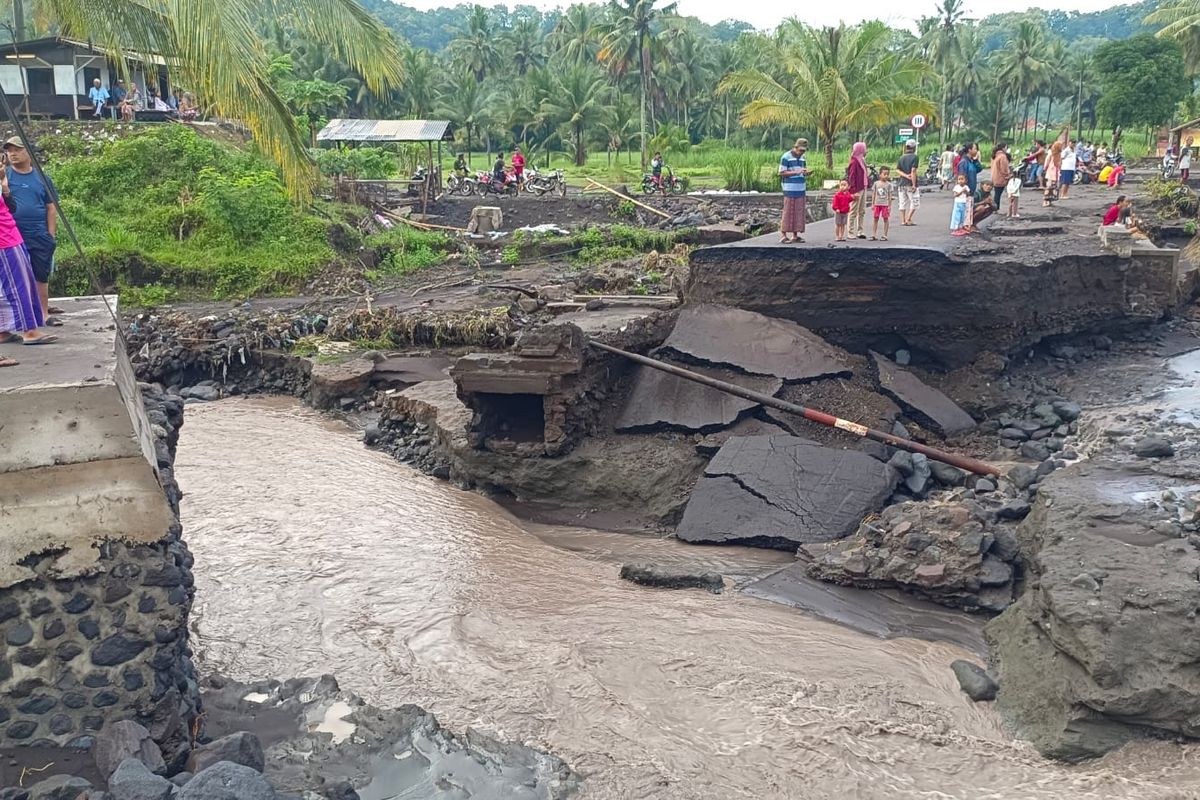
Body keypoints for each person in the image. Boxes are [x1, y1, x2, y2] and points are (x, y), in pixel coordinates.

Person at [0, 158, 56, 354]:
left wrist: (4, 186)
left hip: (11, 234)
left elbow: (10, 207)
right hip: (5, 239)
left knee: (5, 288)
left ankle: (3, 330)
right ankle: (29, 331)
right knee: (19, 284)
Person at [4, 137, 58, 325]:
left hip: (39, 233)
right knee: (18, 276)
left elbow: (51, 207)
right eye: (9, 150)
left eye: (17, 150)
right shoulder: (6, 176)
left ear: (29, 152)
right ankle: (19, 316)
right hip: (13, 235)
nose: (12, 154)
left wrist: (50, 236)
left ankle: (43, 313)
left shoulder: (42, 178)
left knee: (40, 274)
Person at [777, 138, 809, 243]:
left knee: (799, 211)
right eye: (800, 150)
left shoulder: (803, 158)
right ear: (795, 148)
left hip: (801, 188)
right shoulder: (786, 157)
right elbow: (781, 173)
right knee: (788, 211)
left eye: (803, 151)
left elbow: (802, 170)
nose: (801, 153)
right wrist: (796, 172)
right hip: (789, 188)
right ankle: (783, 234)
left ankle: (795, 235)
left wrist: (805, 173)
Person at [956, 143, 982, 232]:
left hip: (971, 190)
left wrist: (976, 160)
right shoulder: (964, 162)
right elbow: (961, 177)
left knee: (969, 208)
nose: (976, 151)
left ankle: (968, 225)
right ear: (969, 150)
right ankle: (965, 226)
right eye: (975, 149)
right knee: (965, 209)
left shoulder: (970, 161)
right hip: (966, 191)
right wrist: (964, 189)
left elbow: (979, 169)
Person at [847, 141, 869, 239]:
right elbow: (851, 177)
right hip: (857, 189)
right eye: (864, 148)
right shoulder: (854, 162)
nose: (866, 150)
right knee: (853, 211)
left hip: (863, 187)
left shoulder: (862, 160)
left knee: (862, 211)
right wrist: (853, 191)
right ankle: (850, 232)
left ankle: (860, 231)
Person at [896, 140, 920, 226]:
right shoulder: (915, 157)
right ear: (914, 147)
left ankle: (902, 220)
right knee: (914, 201)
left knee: (902, 202)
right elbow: (913, 171)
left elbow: (897, 170)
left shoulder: (901, 157)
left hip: (901, 183)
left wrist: (905, 176)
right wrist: (913, 184)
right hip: (910, 184)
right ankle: (908, 218)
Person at [870, 166, 893, 241]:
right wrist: (872, 204)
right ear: (880, 174)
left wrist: (889, 205)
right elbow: (873, 194)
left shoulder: (889, 185)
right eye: (884, 174)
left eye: (887, 174)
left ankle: (885, 235)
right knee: (875, 219)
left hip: (885, 204)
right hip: (877, 204)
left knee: (885, 219)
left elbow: (890, 196)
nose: (886, 176)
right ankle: (873, 234)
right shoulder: (876, 183)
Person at [990, 143, 1011, 208]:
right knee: (998, 194)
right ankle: (995, 208)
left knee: (997, 193)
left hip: (995, 177)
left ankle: (995, 207)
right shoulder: (1002, 156)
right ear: (1003, 148)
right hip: (1000, 178)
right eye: (1006, 148)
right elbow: (1003, 169)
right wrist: (1007, 176)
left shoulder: (995, 155)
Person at [1042, 141, 1062, 207]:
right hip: (1050, 172)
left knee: (1054, 188)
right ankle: (1045, 201)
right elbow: (1046, 163)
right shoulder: (1050, 154)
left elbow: (1060, 164)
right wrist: (1045, 169)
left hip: (1056, 173)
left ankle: (1050, 201)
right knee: (1049, 187)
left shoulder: (1059, 154)